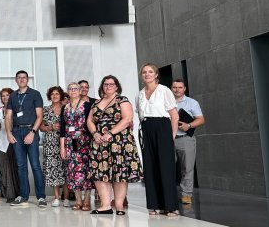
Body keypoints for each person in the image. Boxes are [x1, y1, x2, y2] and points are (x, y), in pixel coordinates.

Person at [87, 75, 141, 215]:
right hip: (99, 142)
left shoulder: (122, 100)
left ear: (117, 86)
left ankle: (119, 205)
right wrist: (95, 134)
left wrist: (110, 133)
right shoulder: (96, 103)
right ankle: (105, 205)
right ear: (102, 86)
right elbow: (90, 121)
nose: (108, 86)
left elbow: (127, 118)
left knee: (119, 172)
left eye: (111, 84)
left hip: (119, 141)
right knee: (100, 172)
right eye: (105, 84)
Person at [138, 64, 179, 217]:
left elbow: (174, 116)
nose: (147, 74)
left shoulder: (164, 91)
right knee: (150, 167)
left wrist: (171, 137)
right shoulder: (140, 94)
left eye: (150, 72)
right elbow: (141, 116)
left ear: (156, 75)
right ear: (141, 75)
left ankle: (170, 206)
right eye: (144, 72)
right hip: (147, 129)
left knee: (166, 168)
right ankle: (154, 204)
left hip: (163, 129)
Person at [5, 70, 47, 207]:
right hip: (16, 132)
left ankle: (41, 197)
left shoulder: (35, 94)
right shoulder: (12, 96)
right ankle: (23, 196)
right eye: (19, 78)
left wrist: (33, 132)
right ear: (16, 80)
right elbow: (8, 116)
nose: (22, 79)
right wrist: (9, 133)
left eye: (24, 77)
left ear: (27, 79)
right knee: (20, 166)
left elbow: (39, 116)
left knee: (35, 165)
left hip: (31, 131)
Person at [59, 82, 93, 211]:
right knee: (72, 171)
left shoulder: (87, 105)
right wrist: (62, 147)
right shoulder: (65, 108)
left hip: (84, 142)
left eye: (75, 89)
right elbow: (62, 128)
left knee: (85, 171)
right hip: (69, 142)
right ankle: (78, 200)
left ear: (80, 91)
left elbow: (91, 124)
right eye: (70, 89)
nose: (73, 91)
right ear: (67, 91)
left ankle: (87, 199)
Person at [172, 79, 204, 205]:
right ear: (171, 88)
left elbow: (201, 119)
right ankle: (168, 193)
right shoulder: (165, 102)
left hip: (185, 138)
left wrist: (189, 125)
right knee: (168, 167)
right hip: (169, 139)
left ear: (184, 88)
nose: (177, 90)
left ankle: (186, 194)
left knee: (187, 167)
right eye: (174, 87)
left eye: (180, 87)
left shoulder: (192, 103)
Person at [40, 86, 66, 207]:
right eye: (52, 94)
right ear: (50, 96)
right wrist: (50, 127)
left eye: (57, 94)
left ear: (61, 95)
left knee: (65, 168)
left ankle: (66, 197)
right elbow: (41, 127)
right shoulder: (45, 110)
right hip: (50, 142)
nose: (55, 96)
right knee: (53, 168)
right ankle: (56, 197)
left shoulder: (66, 108)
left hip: (65, 142)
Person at [0, 88, 19, 203]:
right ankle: (6, 193)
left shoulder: (16, 109)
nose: (5, 98)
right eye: (3, 96)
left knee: (14, 168)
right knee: (3, 168)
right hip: (1, 142)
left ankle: (15, 194)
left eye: (7, 95)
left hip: (14, 141)